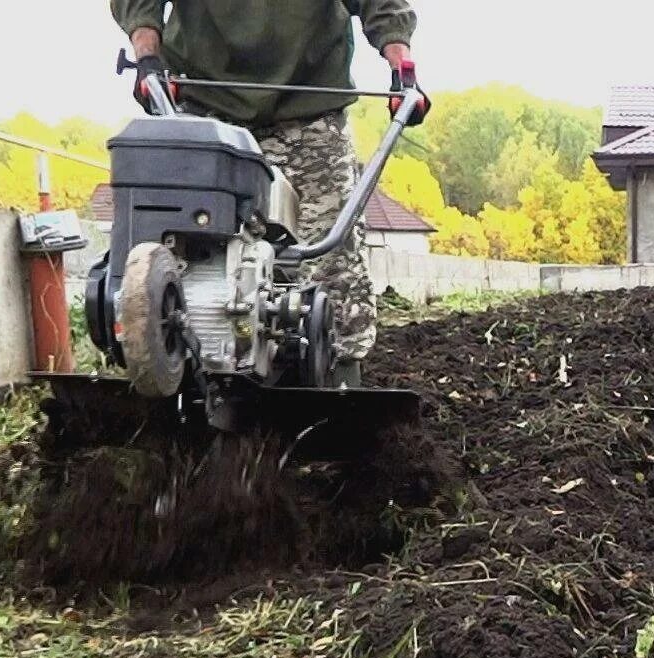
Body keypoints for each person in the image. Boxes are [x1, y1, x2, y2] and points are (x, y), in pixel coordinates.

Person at [110, 0, 428, 386]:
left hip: (308, 101)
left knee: (332, 258)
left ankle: (341, 384)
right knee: (184, 248)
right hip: (202, 99)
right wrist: (147, 57)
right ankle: (179, 373)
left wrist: (401, 66)